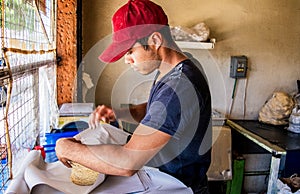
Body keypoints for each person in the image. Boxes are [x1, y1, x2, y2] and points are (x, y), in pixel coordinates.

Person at [55, 0, 212, 193]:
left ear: (155, 41)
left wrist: (65, 147)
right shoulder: (174, 67)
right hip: (164, 174)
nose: (127, 60)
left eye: (130, 51)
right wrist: (118, 113)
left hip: (177, 186)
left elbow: (127, 163)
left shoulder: (179, 86)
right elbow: (157, 110)